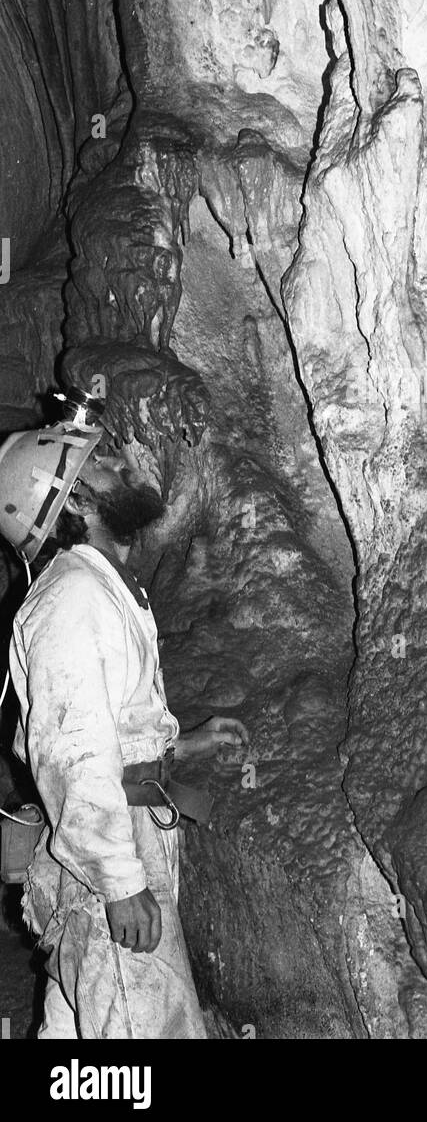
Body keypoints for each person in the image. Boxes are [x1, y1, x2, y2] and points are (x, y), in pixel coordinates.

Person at [0, 410, 248, 1038]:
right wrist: (118, 879)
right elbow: (70, 749)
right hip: (107, 859)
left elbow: (108, 725)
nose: (125, 462)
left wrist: (180, 745)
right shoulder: (75, 597)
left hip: (121, 841)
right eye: (104, 462)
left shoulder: (103, 586)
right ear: (78, 499)